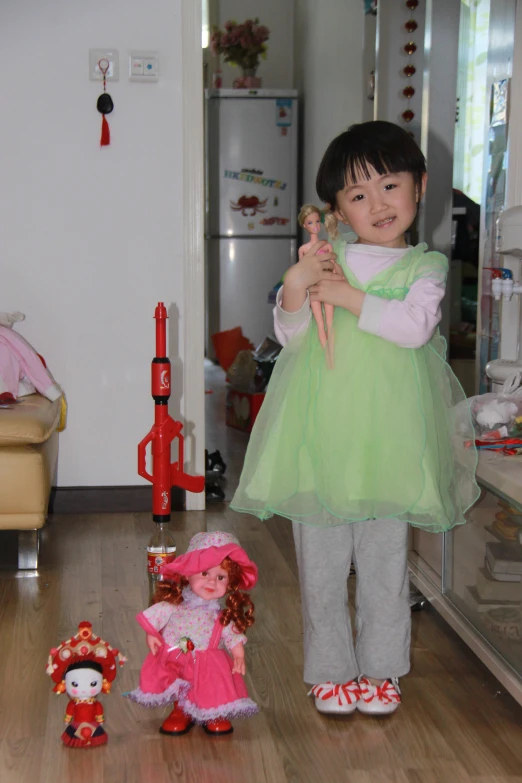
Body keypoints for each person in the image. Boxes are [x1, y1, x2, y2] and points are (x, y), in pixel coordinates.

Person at [231, 121, 479, 716]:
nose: (378, 204)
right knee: (320, 565)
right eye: (358, 195)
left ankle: (383, 669)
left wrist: (342, 296)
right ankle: (330, 670)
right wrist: (296, 286)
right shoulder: (325, 255)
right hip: (320, 436)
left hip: (391, 440)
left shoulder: (427, 268)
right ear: (337, 208)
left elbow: (412, 327)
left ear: (419, 187)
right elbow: (290, 337)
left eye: (390, 186)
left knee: (384, 565)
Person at [126, 531, 259, 735]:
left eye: (220, 577)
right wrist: (151, 634)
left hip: (209, 663)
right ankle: (181, 710)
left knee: (211, 687)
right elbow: (155, 618)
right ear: (188, 573)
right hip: (177, 658)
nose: (211, 582)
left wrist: (238, 654)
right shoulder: (174, 605)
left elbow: (231, 635)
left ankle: (213, 713)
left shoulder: (221, 616)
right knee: (180, 684)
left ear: (230, 583)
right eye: (205, 573)